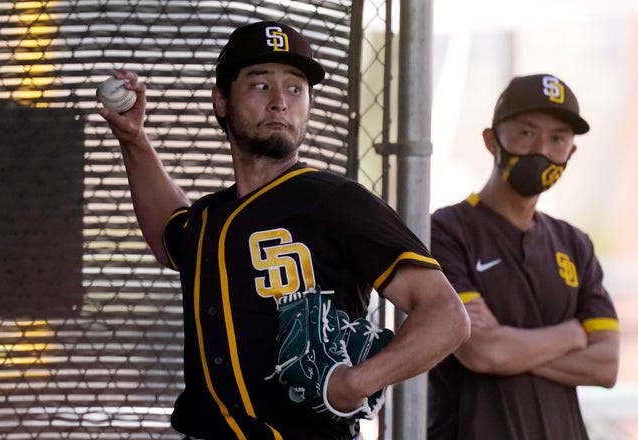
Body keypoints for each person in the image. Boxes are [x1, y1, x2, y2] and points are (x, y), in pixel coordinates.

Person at [99, 20, 470, 440]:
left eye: (295, 89)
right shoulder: (208, 219)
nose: (280, 102)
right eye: (260, 86)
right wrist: (133, 139)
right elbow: (170, 235)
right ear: (221, 100)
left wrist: (356, 383)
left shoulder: (334, 200)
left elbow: (446, 315)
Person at [427, 73, 621, 440]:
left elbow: (607, 366)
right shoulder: (445, 231)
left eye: (558, 138)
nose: (542, 150)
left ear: (571, 152)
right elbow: (481, 353)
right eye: (527, 133)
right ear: (491, 140)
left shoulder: (575, 244)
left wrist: (509, 346)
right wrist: (572, 333)